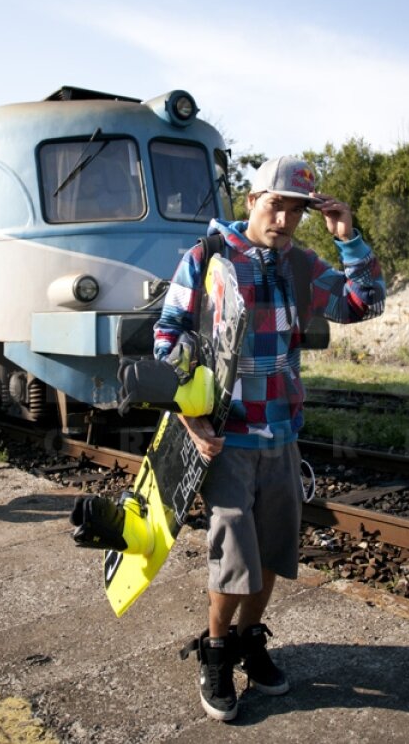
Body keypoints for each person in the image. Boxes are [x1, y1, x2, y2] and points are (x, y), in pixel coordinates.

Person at [154, 156, 386, 721]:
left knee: (275, 554)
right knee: (234, 558)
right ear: (252, 198)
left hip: (282, 432)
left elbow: (366, 303)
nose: (282, 218)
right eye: (274, 203)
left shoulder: (303, 264)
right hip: (227, 437)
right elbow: (167, 339)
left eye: (296, 209)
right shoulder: (208, 258)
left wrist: (349, 238)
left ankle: (250, 642)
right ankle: (215, 653)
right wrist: (190, 416)